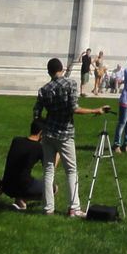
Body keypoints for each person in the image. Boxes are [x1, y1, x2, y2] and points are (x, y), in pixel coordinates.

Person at [34, 56, 108, 217]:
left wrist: (47, 123)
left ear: (49, 72)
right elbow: (74, 108)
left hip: (48, 133)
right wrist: (96, 110)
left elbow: (36, 114)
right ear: (62, 69)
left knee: (48, 170)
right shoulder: (70, 84)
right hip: (65, 133)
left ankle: (48, 208)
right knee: (71, 170)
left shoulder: (44, 89)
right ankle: (73, 208)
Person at [0, 120, 47, 210]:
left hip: (7, 186)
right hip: (23, 186)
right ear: (41, 132)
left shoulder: (16, 141)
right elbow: (49, 168)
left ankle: (20, 200)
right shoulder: (39, 147)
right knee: (54, 189)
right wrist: (58, 153)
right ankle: (22, 199)